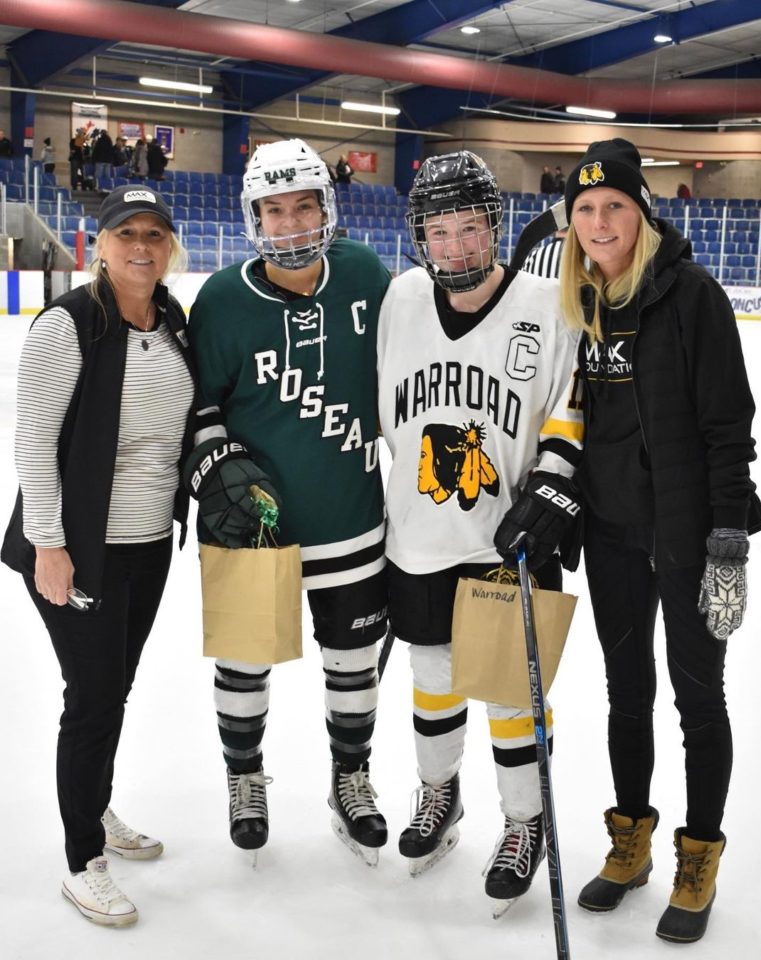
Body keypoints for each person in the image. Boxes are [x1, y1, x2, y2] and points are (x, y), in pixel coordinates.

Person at [558, 137, 761, 944]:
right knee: (625, 694)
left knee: (698, 699)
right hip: (609, 533)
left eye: (614, 206)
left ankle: (698, 854)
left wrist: (726, 541)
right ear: (571, 222)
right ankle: (630, 843)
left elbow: (728, 428)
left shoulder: (693, 296)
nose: (600, 221)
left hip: (683, 537)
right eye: (585, 209)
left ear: (641, 213)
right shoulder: (581, 301)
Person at [377, 151, 583, 910]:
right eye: (440, 232)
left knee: (511, 696)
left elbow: (569, 406)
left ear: (495, 227)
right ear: (419, 237)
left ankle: (525, 822)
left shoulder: (546, 303)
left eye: (470, 228)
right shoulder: (399, 300)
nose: (456, 247)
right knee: (430, 678)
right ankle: (440, 796)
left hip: (509, 540)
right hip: (417, 538)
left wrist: (555, 483)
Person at [186, 138, 391, 866]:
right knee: (244, 664)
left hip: (351, 517)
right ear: (255, 219)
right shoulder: (221, 298)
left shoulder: (366, 274)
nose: (293, 223)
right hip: (254, 529)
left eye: (305, 205)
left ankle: (351, 776)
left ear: (328, 207)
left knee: (353, 660)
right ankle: (245, 779)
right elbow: (197, 404)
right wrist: (218, 462)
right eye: (276, 210)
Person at [1, 185, 195, 927]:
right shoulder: (69, 324)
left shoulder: (171, 321)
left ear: (168, 243)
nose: (140, 247)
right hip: (80, 549)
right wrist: (50, 545)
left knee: (113, 689)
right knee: (89, 701)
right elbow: (33, 444)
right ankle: (84, 857)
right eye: (126, 234)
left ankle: (95, 802)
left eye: (153, 233)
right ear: (100, 242)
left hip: (147, 545)